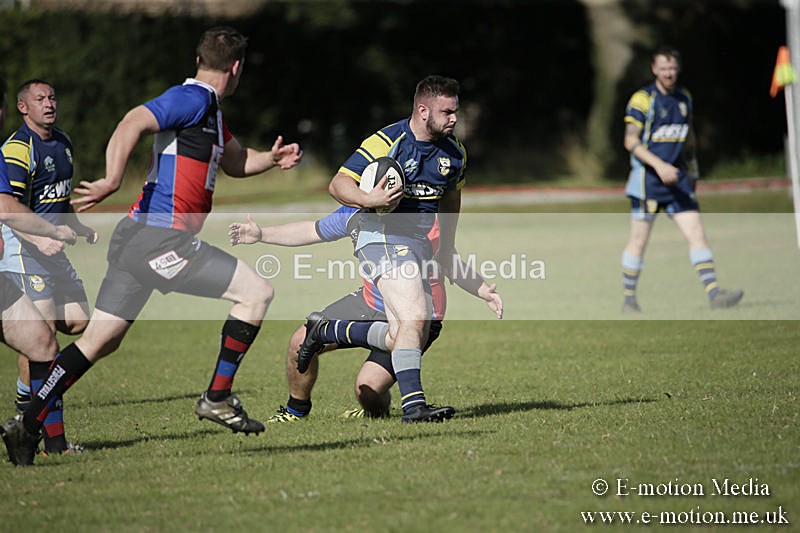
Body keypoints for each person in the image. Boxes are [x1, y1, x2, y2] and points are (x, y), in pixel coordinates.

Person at [0, 26, 302, 467]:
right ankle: (218, 396)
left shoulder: (210, 111)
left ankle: (26, 425)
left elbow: (237, 160)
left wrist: (271, 160)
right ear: (236, 68)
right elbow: (133, 121)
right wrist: (112, 179)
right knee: (256, 292)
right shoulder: (192, 98)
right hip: (160, 238)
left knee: (99, 340)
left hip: (138, 239)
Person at [228, 208, 502, 420]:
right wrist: (261, 235)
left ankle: (375, 410)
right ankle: (295, 411)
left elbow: (448, 259)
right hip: (368, 302)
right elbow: (311, 230)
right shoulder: (357, 213)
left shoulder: (423, 218)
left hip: (416, 317)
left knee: (367, 391)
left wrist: (482, 291)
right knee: (299, 342)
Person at [327, 75, 466, 422]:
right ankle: (414, 407)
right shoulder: (387, 141)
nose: (454, 119)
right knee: (414, 315)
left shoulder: (455, 153)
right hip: (381, 238)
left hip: (418, 247)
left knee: (372, 386)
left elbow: (451, 199)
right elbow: (338, 183)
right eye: (447, 112)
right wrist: (368, 199)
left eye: (455, 111)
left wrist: (447, 247)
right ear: (423, 110)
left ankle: (327, 330)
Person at [1, 79, 98, 456]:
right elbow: (10, 210)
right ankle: (43, 432)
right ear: (22, 107)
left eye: (52, 97)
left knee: (78, 320)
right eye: (39, 99)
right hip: (26, 251)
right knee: (44, 343)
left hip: (54, 251)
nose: (49, 104)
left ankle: (28, 398)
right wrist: (39, 240)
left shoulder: (63, 143)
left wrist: (78, 227)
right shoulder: (17, 149)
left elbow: (57, 200)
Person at [620, 46, 743, 313]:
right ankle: (629, 300)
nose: (668, 73)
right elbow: (630, 141)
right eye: (663, 68)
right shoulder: (642, 100)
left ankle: (715, 295)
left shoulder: (684, 98)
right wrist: (659, 166)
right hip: (647, 183)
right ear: (654, 69)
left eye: (672, 68)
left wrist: (693, 171)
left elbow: (688, 139)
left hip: (677, 181)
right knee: (639, 241)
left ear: (679, 69)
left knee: (697, 233)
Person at [0, 138, 80, 465]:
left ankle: (51, 443)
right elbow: (9, 209)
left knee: (44, 344)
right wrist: (47, 233)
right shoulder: (16, 149)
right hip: (25, 261)